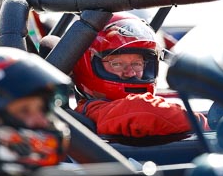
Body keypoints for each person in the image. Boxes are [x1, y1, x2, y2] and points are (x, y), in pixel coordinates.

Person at [72, 12, 209, 138]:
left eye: (137, 64)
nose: (131, 72)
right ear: (87, 66)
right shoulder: (94, 110)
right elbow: (145, 112)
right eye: (117, 64)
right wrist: (206, 124)